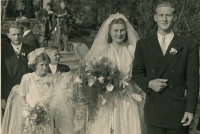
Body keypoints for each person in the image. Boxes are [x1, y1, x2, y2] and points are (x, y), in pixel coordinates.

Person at [132, 2, 199, 134]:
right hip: (154, 110)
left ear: (174, 17)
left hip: (178, 111)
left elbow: (193, 81)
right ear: (155, 18)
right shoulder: (143, 45)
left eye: (168, 15)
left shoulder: (188, 45)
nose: (164, 19)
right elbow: (137, 73)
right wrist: (149, 83)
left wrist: (190, 110)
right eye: (161, 15)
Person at [83, 13, 145, 134]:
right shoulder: (101, 50)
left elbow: (139, 73)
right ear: (109, 32)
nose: (119, 34)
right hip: (106, 98)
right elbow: (90, 73)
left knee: (126, 126)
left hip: (127, 97)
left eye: (122, 30)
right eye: (115, 30)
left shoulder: (132, 50)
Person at [2, 49, 76, 134]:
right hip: (32, 117)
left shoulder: (53, 78)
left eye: (47, 65)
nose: (45, 67)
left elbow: (66, 81)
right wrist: (29, 112)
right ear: (35, 65)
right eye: (42, 65)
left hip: (48, 117)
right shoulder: (28, 78)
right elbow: (22, 98)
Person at [1, 22, 34, 113]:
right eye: (13, 34)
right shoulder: (2, 51)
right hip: (8, 92)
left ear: (23, 34)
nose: (16, 37)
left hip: (26, 92)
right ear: (8, 35)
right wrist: (1, 97)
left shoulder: (30, 50)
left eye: (19, 34)